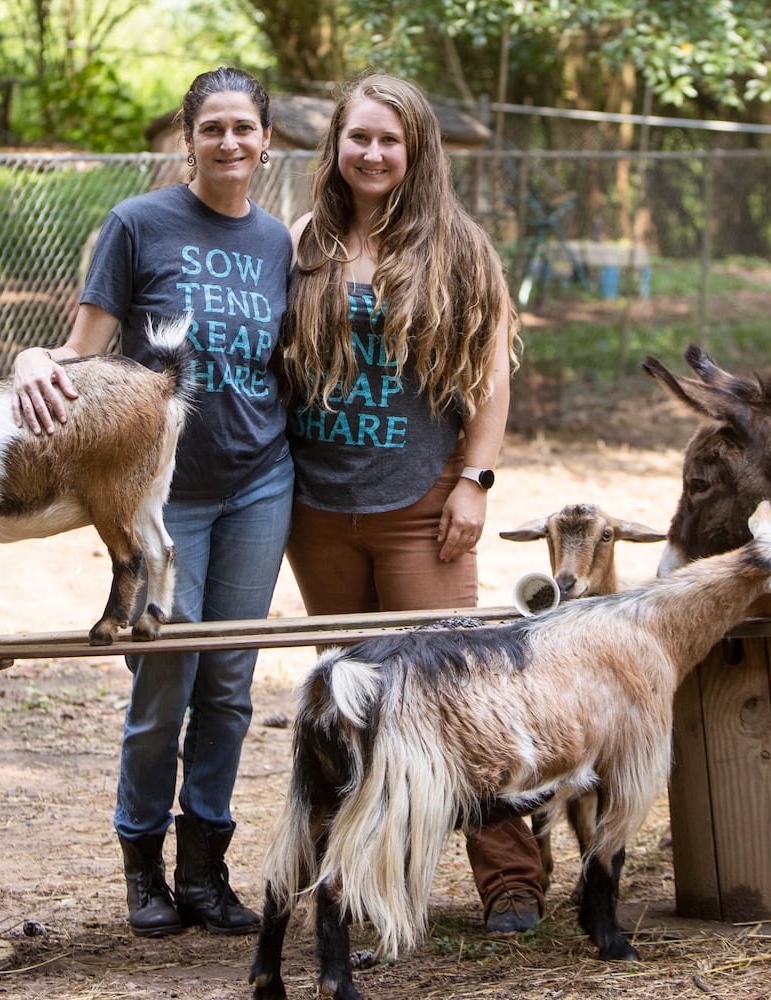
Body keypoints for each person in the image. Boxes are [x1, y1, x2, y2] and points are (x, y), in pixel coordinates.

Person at [10, 67, 293, 939]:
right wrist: (30, 360)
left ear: (266, 140)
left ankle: (206, 869)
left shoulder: (279, 241)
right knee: (163, 678)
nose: (230, 143)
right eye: (213, 127)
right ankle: (144, 863)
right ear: (187, 136)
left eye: (244, 127)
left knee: (231, 686)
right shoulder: (138, 224)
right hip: (162, 498)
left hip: (261, 482)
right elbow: (84, 350)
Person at [278, 72, 547, 934]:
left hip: (422, 504)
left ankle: (510, 877)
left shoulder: (460, 248)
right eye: (359, 137)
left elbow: (492, 376)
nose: (372, 152)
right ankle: (356, 880)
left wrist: (475, 479)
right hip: (317, 508)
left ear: (416, 150)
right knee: (351, 696)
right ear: (337, 145)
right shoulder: (302, 242)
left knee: (454, 694)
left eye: (389, 140)